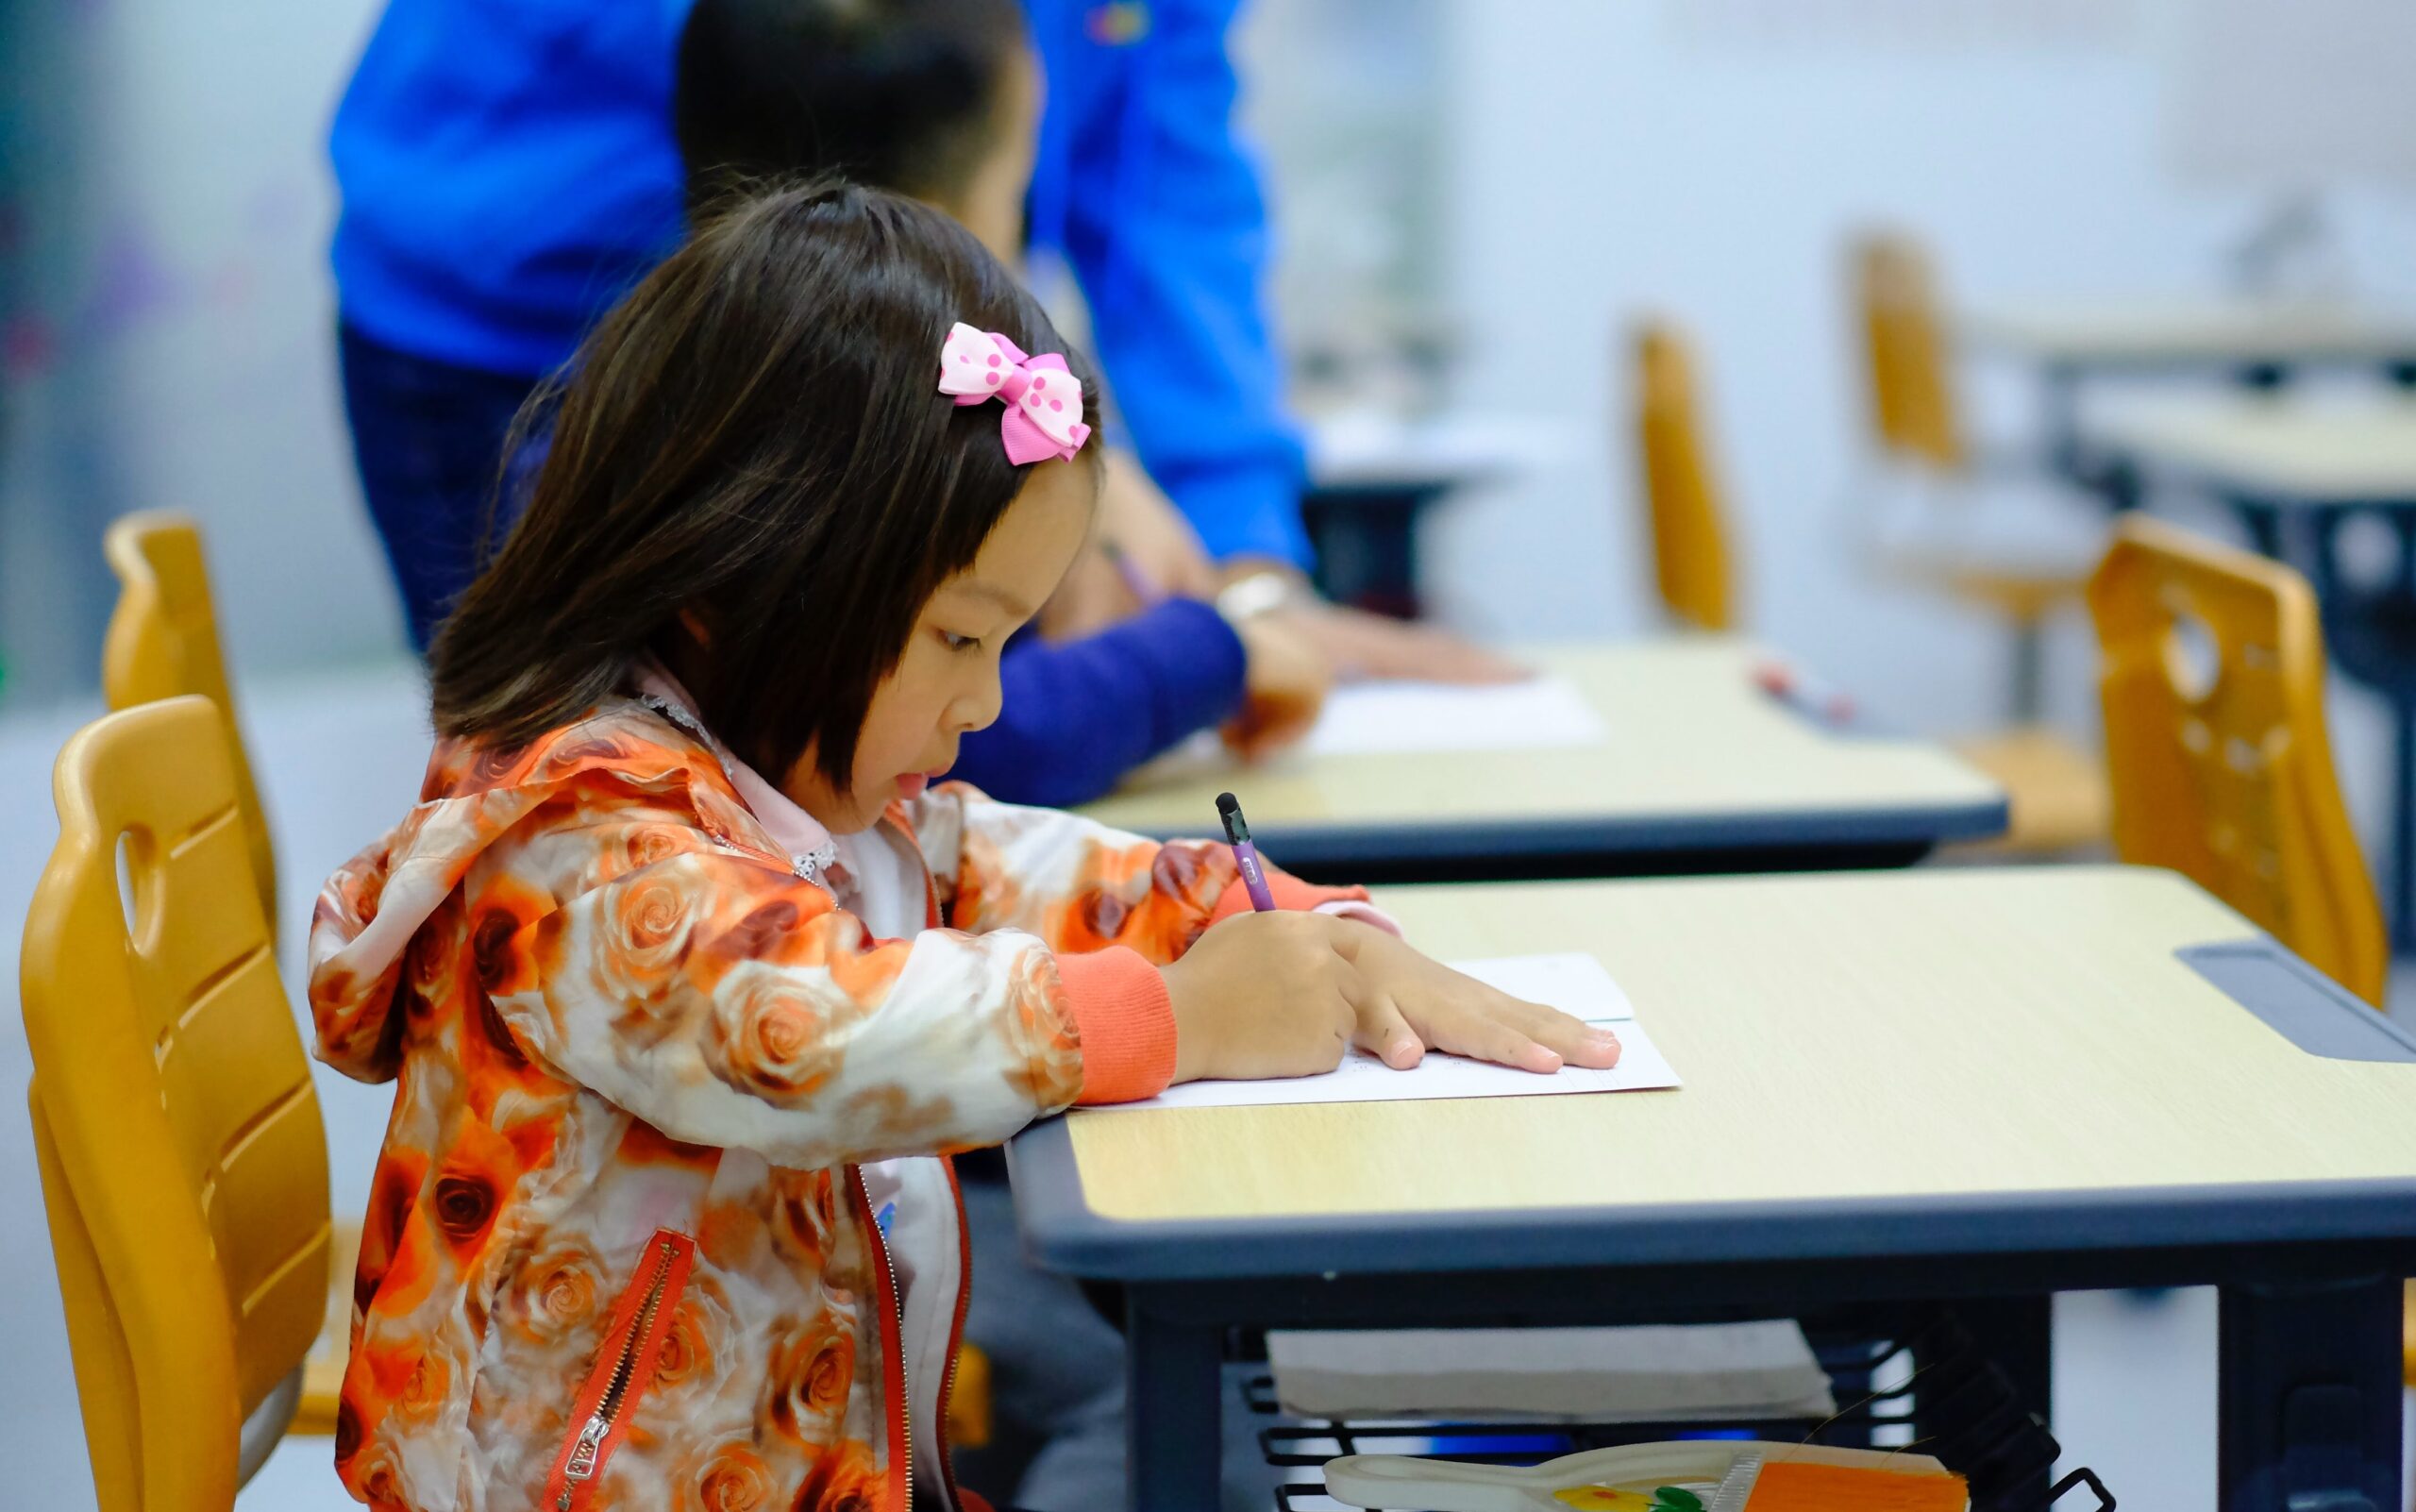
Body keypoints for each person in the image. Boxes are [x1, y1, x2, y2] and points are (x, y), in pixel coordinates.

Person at [308, 183, 1618, 1512]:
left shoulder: (792, 787)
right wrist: (1174, 1014)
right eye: (959, 638)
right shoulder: (580, 845)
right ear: (737, 578)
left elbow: (1001, 865)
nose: (986, 702)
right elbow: (808, 1030)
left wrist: (1264, 914)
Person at [329, 0, 1513, 681]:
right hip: (543, 322)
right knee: (642, 798)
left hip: (863, 300)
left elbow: (1159, 171)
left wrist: (1242, 564)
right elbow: (846, 114)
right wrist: (1200, 644)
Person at [675, 0, 1327, 805]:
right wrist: (1220, 653)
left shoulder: (671, 383)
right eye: (1016, 196)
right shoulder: (838, 451)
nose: (978, 700)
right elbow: (973, 748)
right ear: (941, 225)